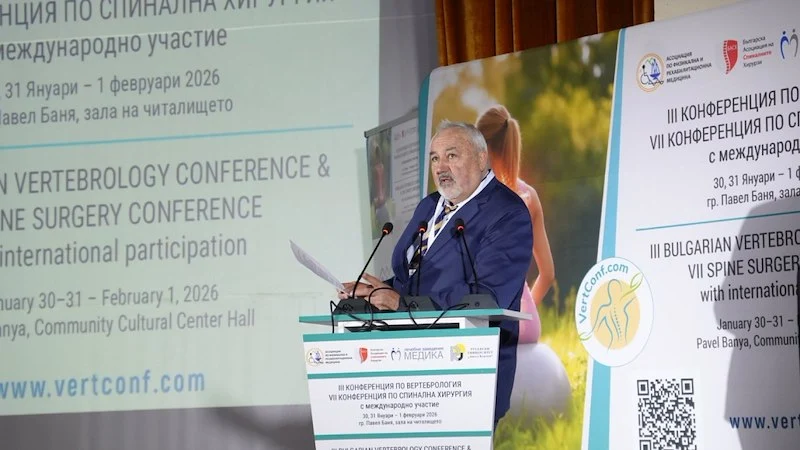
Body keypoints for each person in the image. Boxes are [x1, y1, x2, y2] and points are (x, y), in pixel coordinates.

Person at [339, 120, 534, 427]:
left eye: (451, 156)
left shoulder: (507, 212)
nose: (441, 167)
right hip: (406, 375)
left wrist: (400, 303)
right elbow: (413, 280)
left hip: (465, 378)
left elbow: (487, 297)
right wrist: (376, 294)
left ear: (481, 158)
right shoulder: (429, 206)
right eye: (434, 158)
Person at [476, 105, 570, 421]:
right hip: (526, 321)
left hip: (493, 322)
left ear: (482, 147)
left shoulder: (479, 200)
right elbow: (548, 273)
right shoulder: (528, 195)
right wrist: (524, 310)